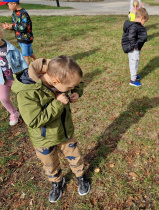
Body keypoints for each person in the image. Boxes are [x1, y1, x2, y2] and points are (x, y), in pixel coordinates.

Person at [11, 55, 90, 203]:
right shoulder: (27, 92)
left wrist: (77, 92)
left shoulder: (60, 71)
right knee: (50, 163)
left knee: (75, 156)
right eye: (69, 88)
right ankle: (57, 182)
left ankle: (80, 176)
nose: (71, 88)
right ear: (55, 82)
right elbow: (34, 121)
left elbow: (77, 80)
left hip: (65, 132)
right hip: (44, 139)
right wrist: (58, 104)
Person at [0, 27, 27, 126]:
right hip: (2, 80)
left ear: (0, 35)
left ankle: (27, 112)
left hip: (15, 78)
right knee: (3, 98)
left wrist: (26, 74)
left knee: (22, 97)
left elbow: (22, 62)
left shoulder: (11, 49)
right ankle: (14, 113)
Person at [0, 0, 36, 65]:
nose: (7, 7)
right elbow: (17, 26)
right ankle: (41, 66)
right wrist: (9, 26)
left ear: (14, 3)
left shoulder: (23, 13)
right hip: (20, 38)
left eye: (7, 5)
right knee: (30, 54)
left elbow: (25, 27)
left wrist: (13, 26)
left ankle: (26, 73)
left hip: (26, 39)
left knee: (25, 56)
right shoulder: (15, 13)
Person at [121, 8, 148, 87]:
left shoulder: (135, 25)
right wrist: (135, 46)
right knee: (134, 63)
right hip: (133, 49)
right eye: (144, 21)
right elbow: (131, 37)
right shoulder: (134, 26)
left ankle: (134, 75)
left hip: (134, 48)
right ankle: (133, 80)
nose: (144, 23)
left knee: (135, 62)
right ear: (142, 18)